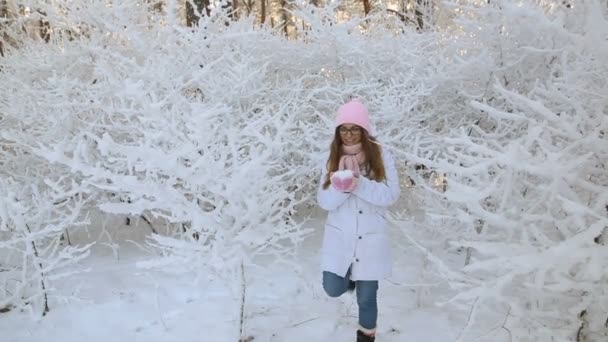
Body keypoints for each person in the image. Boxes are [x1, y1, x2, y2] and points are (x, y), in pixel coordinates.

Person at [317, 99, 401, 342]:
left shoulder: (382, 155)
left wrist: (359, 183)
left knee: (367, 297)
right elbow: (324, 200)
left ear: (364, 130)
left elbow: (391, 194)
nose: (349, 134)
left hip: (370, 239)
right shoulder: (331, 156)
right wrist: (341, 188)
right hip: (340, 237)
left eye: (355, 128)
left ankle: (366, 337)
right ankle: (348, 280)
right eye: (344, 128)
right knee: (333, 288)